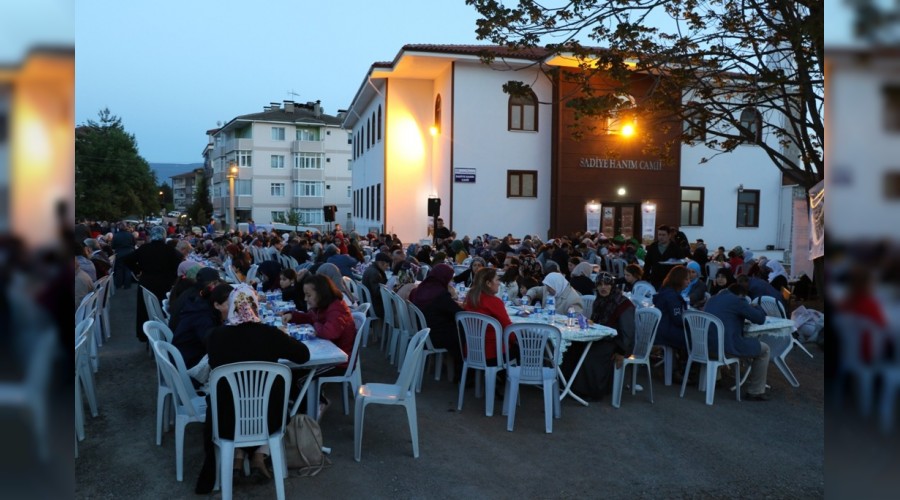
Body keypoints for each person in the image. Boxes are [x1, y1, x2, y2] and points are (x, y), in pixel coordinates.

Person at [194, 284, 311, 494]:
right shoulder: (270, 334)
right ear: (255, 306)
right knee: (280, 402)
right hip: (267, 417)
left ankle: (238, 459)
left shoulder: (216, 336)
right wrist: (285, 338)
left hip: (227, 419)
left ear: (232, 308)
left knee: (233, 400)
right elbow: (303, 355)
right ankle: (259, 455)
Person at [562, 272, 635, 401]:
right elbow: (598, 323)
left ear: (612, 286)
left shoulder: (623, 304)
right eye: (600, 284)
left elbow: (628, 332)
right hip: (602, 337)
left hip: (619, 342)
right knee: (574, 348)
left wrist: (621, 352)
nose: (603, 287)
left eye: (607, 284)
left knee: (592, 355)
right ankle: (568, 384)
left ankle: (591, 392)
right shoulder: (600, 300)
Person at [704, 282, 771, 401]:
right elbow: (760, 319)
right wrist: (756, 306)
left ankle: (716, 379)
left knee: (719, 335)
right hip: (725, 348)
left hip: (705, 347)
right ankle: (755, 391)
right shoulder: (737, 301)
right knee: (764, 349)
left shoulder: (712, 299)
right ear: (741, 295)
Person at [121, 225, 183, 341]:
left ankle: (145, 334)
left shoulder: (144, 248)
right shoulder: (169, 250)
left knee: (145, 309)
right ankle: (164, 333)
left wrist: (137, 270)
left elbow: (127, 259)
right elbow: (179, 261)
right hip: (166, 283)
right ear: (164, 236)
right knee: (162, 309)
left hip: (147, 282)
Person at [284, 274, 356, 367]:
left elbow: (329, 332)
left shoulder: (336, 308)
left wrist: (316, 324)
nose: (305, 299)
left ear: (321, 293)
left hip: (339, 362)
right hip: (329, 355)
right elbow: (310, 317)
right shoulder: (322, 305)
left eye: (308, 295)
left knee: (297, 372)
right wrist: (292, 316)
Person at [410, 264, 463, 376]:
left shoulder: (421, 288)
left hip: (421, 331)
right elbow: (458, 312)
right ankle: (463, 373)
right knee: (464, 333)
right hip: (434, 335)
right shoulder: (440, 294)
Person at [172, 282, 231, 370]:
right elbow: (215, 346)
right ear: (217, 305)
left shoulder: (203, 309)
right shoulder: (203, 318)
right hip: (188, 367)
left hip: (184, 358)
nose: (236, 308)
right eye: (231, 304)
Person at [463, 268, 513, 367]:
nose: (499, 283)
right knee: (522, 347)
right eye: (497, 280)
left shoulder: (470, 298)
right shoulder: (494, 302)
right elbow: (508, 328)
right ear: (488, 283)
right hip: (492, 353)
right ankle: (512, 380)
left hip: (471, 350)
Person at [652, 265, 689, 351]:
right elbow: (678, 319)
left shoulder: (664, 291)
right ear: (679, 279)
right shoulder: (672, 297)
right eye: (686, 279)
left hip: (659, 330)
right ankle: (691, 363)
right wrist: (691, 321)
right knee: (694, 337)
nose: (689, 282)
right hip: (667, 333)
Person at [642, 225, 685, 289]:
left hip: (670, 281)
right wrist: (646, 277)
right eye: (659, 235)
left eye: (663, 235)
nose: (661, 237)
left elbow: (681, 263)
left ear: (669, 235)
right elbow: (647, 263)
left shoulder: (675, 248)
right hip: (655, 280)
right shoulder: (653, 247)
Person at [363, 252, 390, 319]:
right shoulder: (375, 273)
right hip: (374, 306)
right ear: (381, 263)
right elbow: (378, 293)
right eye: (386, 265)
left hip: (368, 302)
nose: (387, 268)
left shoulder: (371, 269)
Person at [111, 222, 136, 289]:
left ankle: (119, 284)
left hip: (119, 254)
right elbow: (134, 243)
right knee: (128, 269)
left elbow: (113, 246)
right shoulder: (130, 235)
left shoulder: (116, 235)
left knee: (119, 269)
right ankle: (127, 285)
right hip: (129, 253)